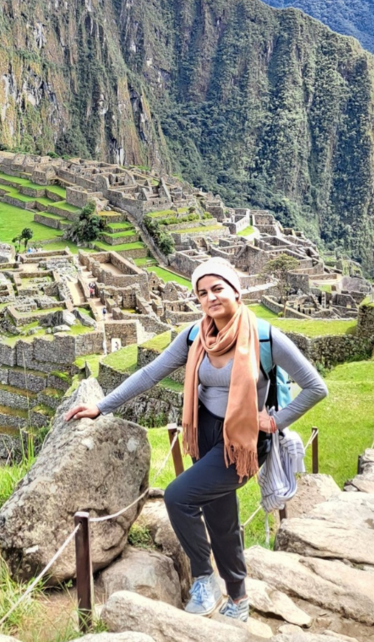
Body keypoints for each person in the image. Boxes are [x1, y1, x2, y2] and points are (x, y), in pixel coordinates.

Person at [64, 257, 327, 621]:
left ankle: (205, 577)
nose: (210, 298)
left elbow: (316, 387)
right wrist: (101, 406)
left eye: (218, 288)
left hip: (244, 441)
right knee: (220, 516)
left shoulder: (264, 336)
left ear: (236, 290)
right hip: (203, 431)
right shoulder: (195, 336)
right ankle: (238, 597)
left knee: (178, 496)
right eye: (202, 293)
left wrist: (275, 420)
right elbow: (150, 374)